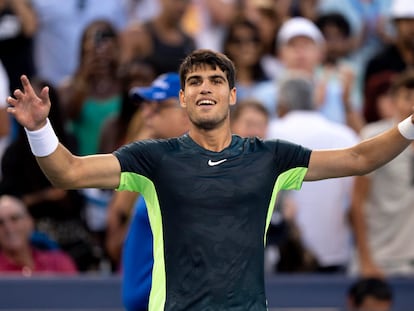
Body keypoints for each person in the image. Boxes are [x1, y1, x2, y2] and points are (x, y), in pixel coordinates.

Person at [6, 49, 414, 310]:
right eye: (194, 82)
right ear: (182, 98)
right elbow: (68, 171)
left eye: (216, 80)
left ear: (232, 95)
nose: (205, 88)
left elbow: (360, 158)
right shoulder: (152, 158)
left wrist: (411, 124)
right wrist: (40, 129)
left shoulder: (270, 158)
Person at [113, 72, 190, 311]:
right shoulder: (160, 163)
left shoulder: (195, 170)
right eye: (146, 105)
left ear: (188, 112)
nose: (146, 113)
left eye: (158, 107)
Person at [267, 74, 359, 273]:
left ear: (281, 103)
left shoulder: (270, 132)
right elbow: (356, 199)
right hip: (332, 249)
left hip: (281, 254)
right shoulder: (344, 135)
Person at [349, 70, 414, 277]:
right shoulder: (373, 137)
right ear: (393, 101)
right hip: (378, 258)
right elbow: (357, 201)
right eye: (407, 98)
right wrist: (366, 258)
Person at [0, 195, 78, 275]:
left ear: (29, 222)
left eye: (14, 219)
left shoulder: (59, 262)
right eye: (0, 223)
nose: (8, 228)